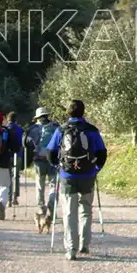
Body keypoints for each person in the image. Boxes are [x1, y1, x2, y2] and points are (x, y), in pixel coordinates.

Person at [47, 99, 108, 260]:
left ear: (68, 112)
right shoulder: (91, 130)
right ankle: (84, 244)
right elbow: (102, 152)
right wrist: (96, 169)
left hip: (67, 176)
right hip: (88, 175)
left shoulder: (61, 129)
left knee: (69, 212)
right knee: (86, 210)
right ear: (83, 112)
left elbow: (50, 152)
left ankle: (71, 249)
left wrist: (57, 166)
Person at [24, 106, 60, 213]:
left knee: (40, 184)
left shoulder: (32, 129)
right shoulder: (56, 127)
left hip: (39, 160)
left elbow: (25, 143)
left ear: (37, 117)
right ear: (47, 115)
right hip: (53, 160)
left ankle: (41, 206)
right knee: (54, 184)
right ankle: (52, 202)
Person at [5, 111, 24, 206]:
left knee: (7, 177)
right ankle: (15, 198)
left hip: (7, 156)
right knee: (16, 176)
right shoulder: (20, 129)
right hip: (18, 155)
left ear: (8, 119)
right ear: (16, 119)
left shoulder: (4, 129)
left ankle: (8, 199)